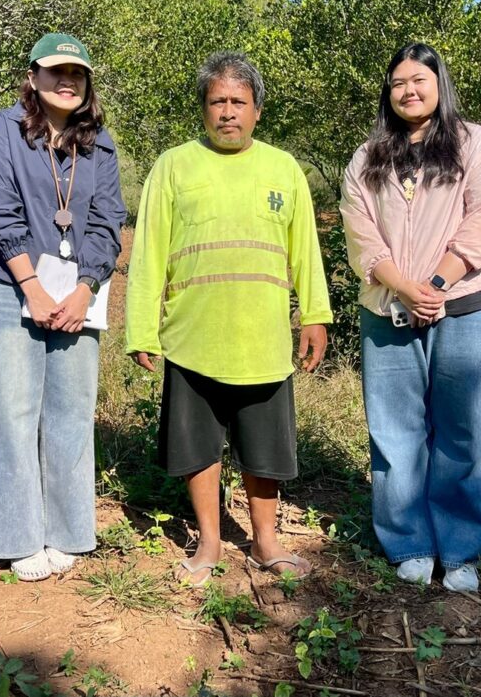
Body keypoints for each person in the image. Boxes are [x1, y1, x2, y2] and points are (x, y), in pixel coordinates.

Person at [125, 52, 332, 586]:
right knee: (198, 448)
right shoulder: (174, 166)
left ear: (257, 110)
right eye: (217, 101)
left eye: (239, 101)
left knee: (265, 450)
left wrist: (315, 315)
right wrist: (142, 328)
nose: (227, 112)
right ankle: (210, 544)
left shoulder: (283, 169)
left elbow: (305, 251)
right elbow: (148, 253)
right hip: (193, 339)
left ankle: (265, 542)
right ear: (203, 109)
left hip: (263, 341)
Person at [340, 42, 481, 592]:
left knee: (467, 429)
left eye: (419, 79)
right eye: (398, 83)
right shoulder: (368, 158)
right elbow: (360, 232)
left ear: (440, 85)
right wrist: (402, 286)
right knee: (395, 430)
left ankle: (460, 550)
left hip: (464, 305)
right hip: (388, 308)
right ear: (387, 93)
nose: (409, 90)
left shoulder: (474, 145)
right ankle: (409, 541)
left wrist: (436, 285)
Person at [0, 33, 126, 581]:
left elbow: (107, 221)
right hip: (7, 286)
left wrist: (84, 289)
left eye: (77, 73)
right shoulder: (1, 132)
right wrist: (33, 287)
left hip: (76, 294)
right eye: (56, 71)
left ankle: (68, 530)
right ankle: (17, 536)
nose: (67, 81)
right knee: (13, 413)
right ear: (33, 78)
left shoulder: (100, 146)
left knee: (71, 411)